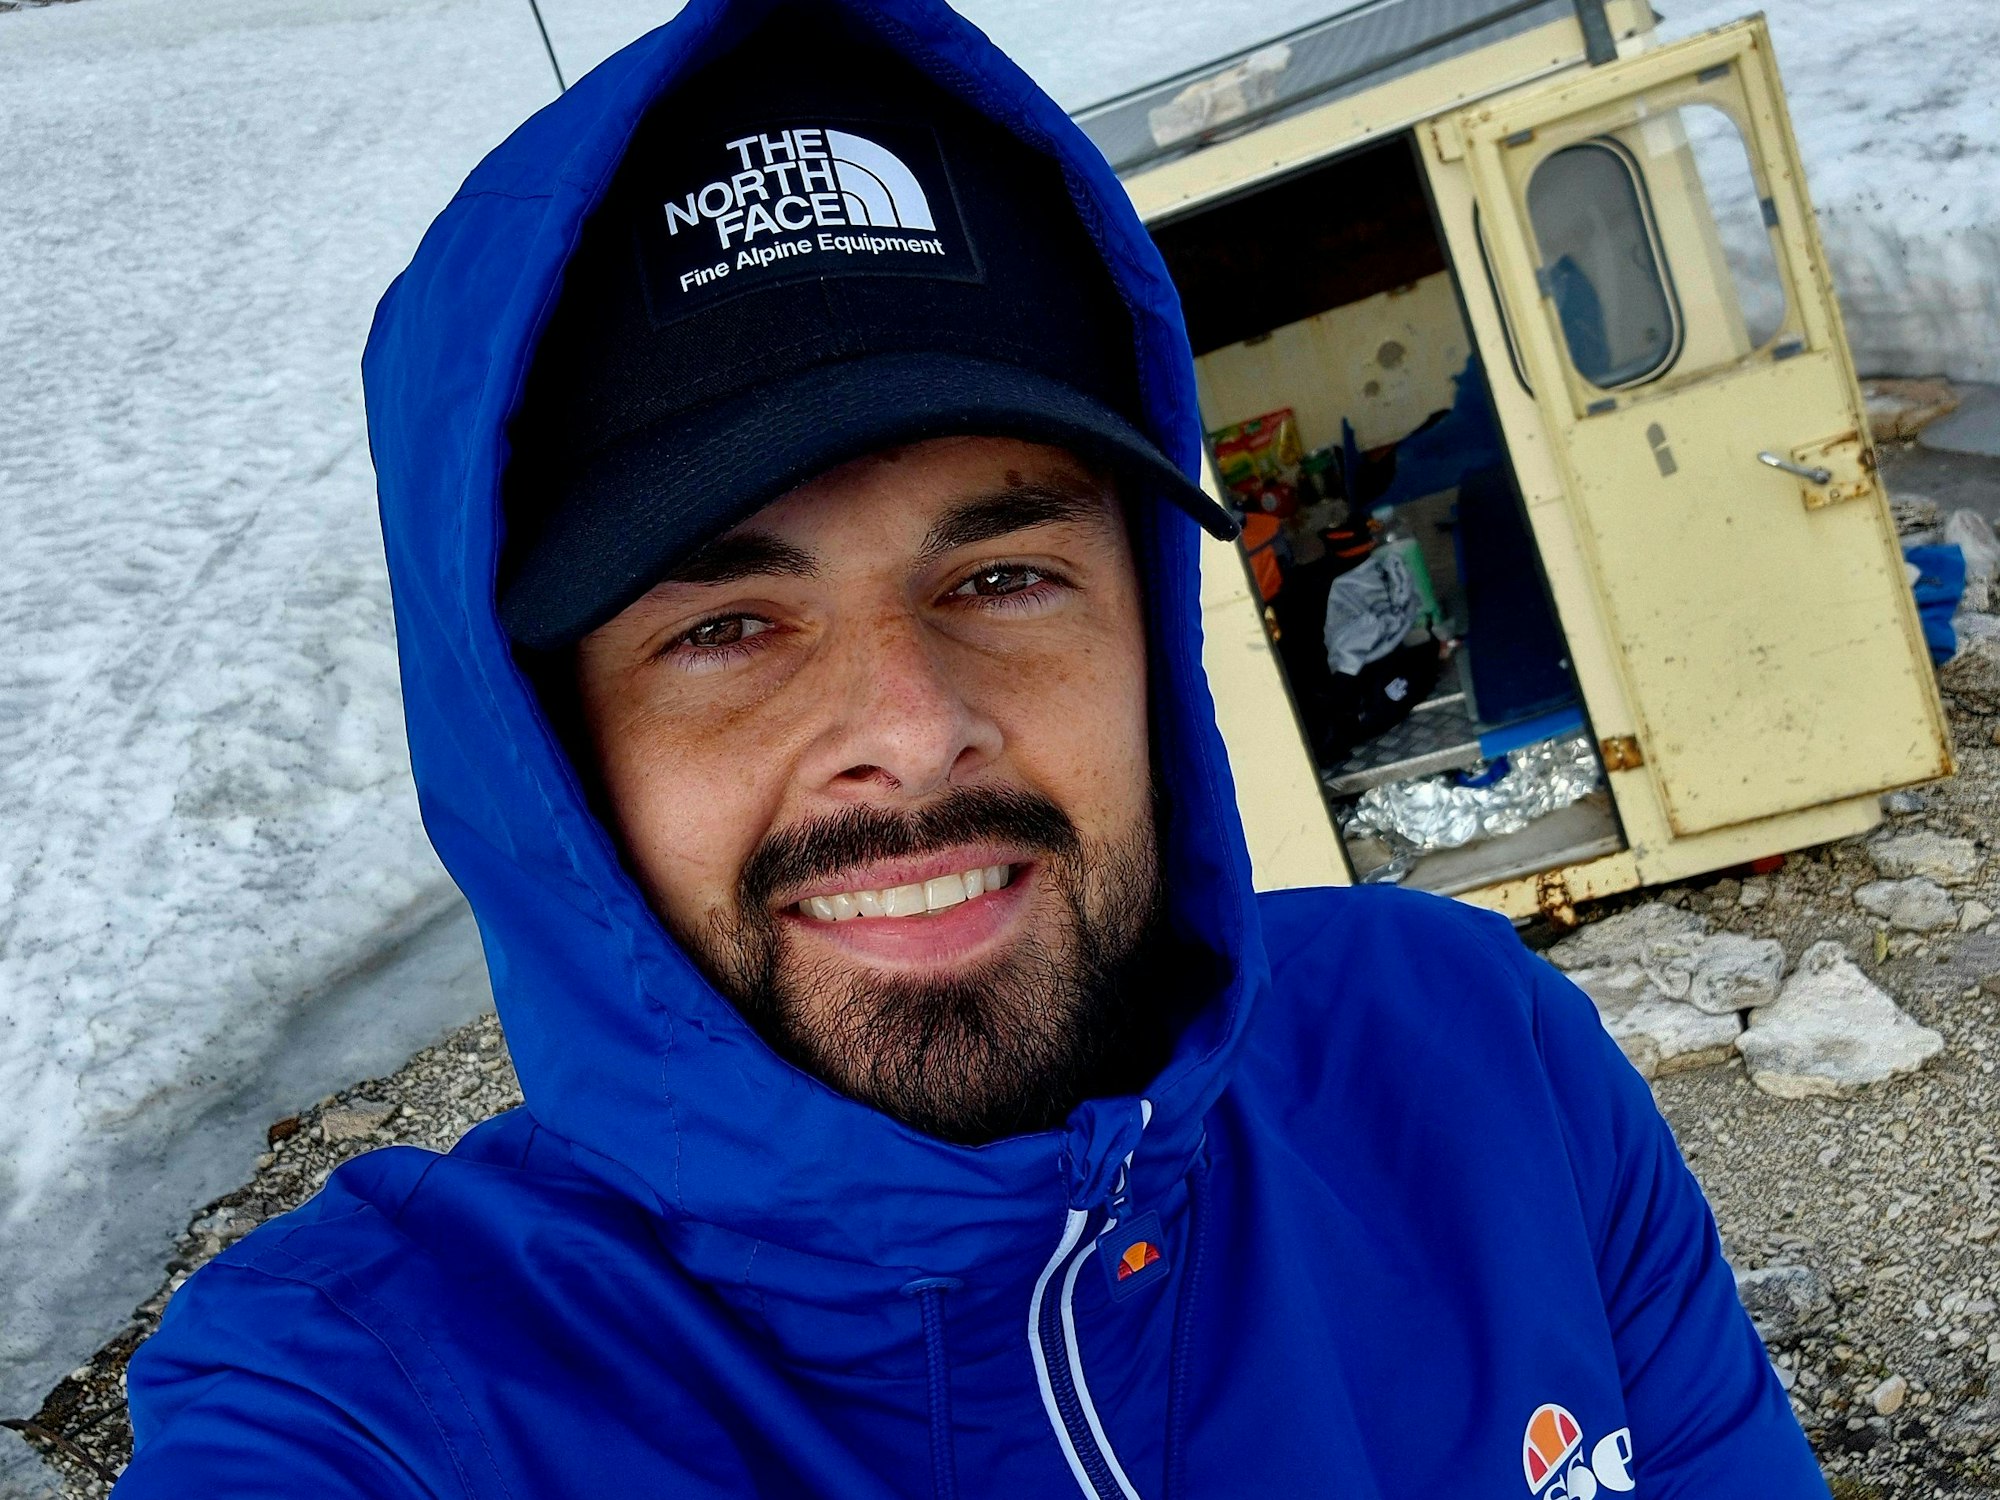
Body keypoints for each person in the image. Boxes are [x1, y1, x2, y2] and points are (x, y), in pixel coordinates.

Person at [114, 0, 1830, 1495]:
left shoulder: (1475, 1061)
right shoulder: (378, 1401)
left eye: (1005, 575)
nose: (914, 732)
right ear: (544, 754)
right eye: (723, 627)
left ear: (1145, 619)